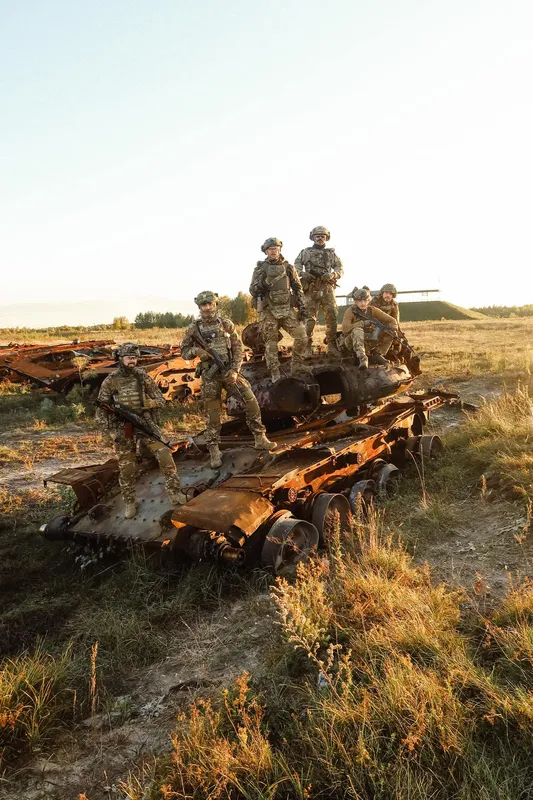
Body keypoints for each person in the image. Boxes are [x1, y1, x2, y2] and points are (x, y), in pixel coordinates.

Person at [181, 291, 275, 468]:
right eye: (203, 305)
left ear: (215, 304)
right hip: (210, 377)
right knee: (213, 415)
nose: (207, 308)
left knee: (250, 401)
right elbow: (184, 350)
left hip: (229, 372)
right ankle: (214, 450)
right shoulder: (193, 329)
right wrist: (197, 352)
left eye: (210, 304)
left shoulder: (226, 324)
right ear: (199, 307)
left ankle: (259, 437)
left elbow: (238, 348)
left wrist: (235, 370)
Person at [95, 342, 186, 519]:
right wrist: (104, 432)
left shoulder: (142, 377)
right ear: (120, 359)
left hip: (145, 424)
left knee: (165, 455)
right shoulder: (111, 380)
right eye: (129, 358)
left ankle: (175, 493)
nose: (132, 361)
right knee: (127, 468)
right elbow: (101, 407)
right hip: (123, 429)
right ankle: (129, 502)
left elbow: (160, 399)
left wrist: (149, 404)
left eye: (135, 358)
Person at [249, 237, 307, 382]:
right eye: (270, 249)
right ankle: (275, 372)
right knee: (271, 343)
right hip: (269, 310)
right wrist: (261, 284)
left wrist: (302, 306)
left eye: (275, 249)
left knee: (302, 337)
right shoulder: (260, 269)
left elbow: (298, 288)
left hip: (287, 308)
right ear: (266, 251)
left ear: (280, 249)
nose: (273, 251)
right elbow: (252, 290)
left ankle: (296, 366)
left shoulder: (288, 267)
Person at [294, 225, 343, 356]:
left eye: (323, 236)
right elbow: (295, 267)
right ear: (313, 237)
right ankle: (306, 347)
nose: (320, 239)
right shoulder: (305, 252)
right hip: (311, 288)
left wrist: (333, 275)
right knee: (309, 318)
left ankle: (332, 346)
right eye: (317, 236)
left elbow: (340, 269)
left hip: (327, 288)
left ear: (326, 238)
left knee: (332, 316)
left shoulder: (331, 254)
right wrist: (303, 274)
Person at [342, 288, 398, 369]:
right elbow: (345, 329)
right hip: (351, 342)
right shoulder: (350, 311)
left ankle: (377, 354)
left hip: (368, 340)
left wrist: (393, 329)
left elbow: (392, 321)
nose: (363, 303)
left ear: (368, 301)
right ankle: (362, 358)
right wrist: (362, 323)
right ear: (355, 301)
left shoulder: (372, 310)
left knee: (390, 331)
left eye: (365, 300)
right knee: (358, 330)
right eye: (360, 301)